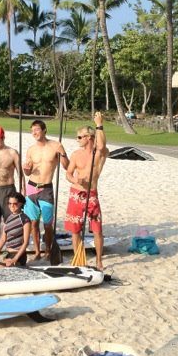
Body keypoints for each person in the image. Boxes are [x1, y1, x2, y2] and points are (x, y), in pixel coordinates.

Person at [64, 111, 109, 270]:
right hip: (76, 194)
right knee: (75, 230)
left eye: (80, 137)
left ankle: (98, 260)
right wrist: (75, 179)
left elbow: (102, 145)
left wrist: (99, 124)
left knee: (97, 229)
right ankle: (79, 260)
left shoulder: (99, 154)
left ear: (89, 137)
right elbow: (68, 173)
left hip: (92, 195)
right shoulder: (76, 154)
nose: (77, 140)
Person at [22, 120, 69, 259]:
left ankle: (48, 250)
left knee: (48, 225)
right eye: (32, 131)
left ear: (44, 130)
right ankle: (37, 252)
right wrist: (26, 170)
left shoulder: (56, 146)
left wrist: (63, 154)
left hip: (46, 189)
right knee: (33, 223)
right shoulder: (31, 149)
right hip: (31, 187)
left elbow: (66, 166)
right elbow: (27, 172)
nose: (34, 133)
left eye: (36, 130)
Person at [0, 192, 31, 267]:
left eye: (15, 204)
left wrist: (15, 259)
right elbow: (3, 239)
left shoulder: (25, 219)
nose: (12, 206)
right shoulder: (8, 218)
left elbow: (26, 243)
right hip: (8, 253)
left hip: (19, 255)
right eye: (9, 203)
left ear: (21, 204)